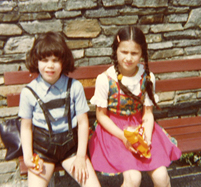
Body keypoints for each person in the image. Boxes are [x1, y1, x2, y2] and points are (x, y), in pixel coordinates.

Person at [89, 26, 182, 187]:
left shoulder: (147, 77)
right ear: (116, 51)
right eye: (124, 52)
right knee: (133, 178)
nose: (129, 58)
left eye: (134, 53)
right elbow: (101, 115)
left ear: (142, 53)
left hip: (141, 126)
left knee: (161, 177)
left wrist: (146, 136)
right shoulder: (105, 79)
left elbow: (147, 113)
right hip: (114, 131)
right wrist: (124, 136)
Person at [18, 31, 101, 187]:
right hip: (43, 152)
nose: (50, 66)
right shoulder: (28, 92)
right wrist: (28, 156)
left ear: (64, 61)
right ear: (36, 61)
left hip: (71, 150)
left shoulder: (74, 87)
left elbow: (83, 123)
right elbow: (26, 127)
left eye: (55, 60)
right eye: (45, 60)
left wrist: (81, 156)